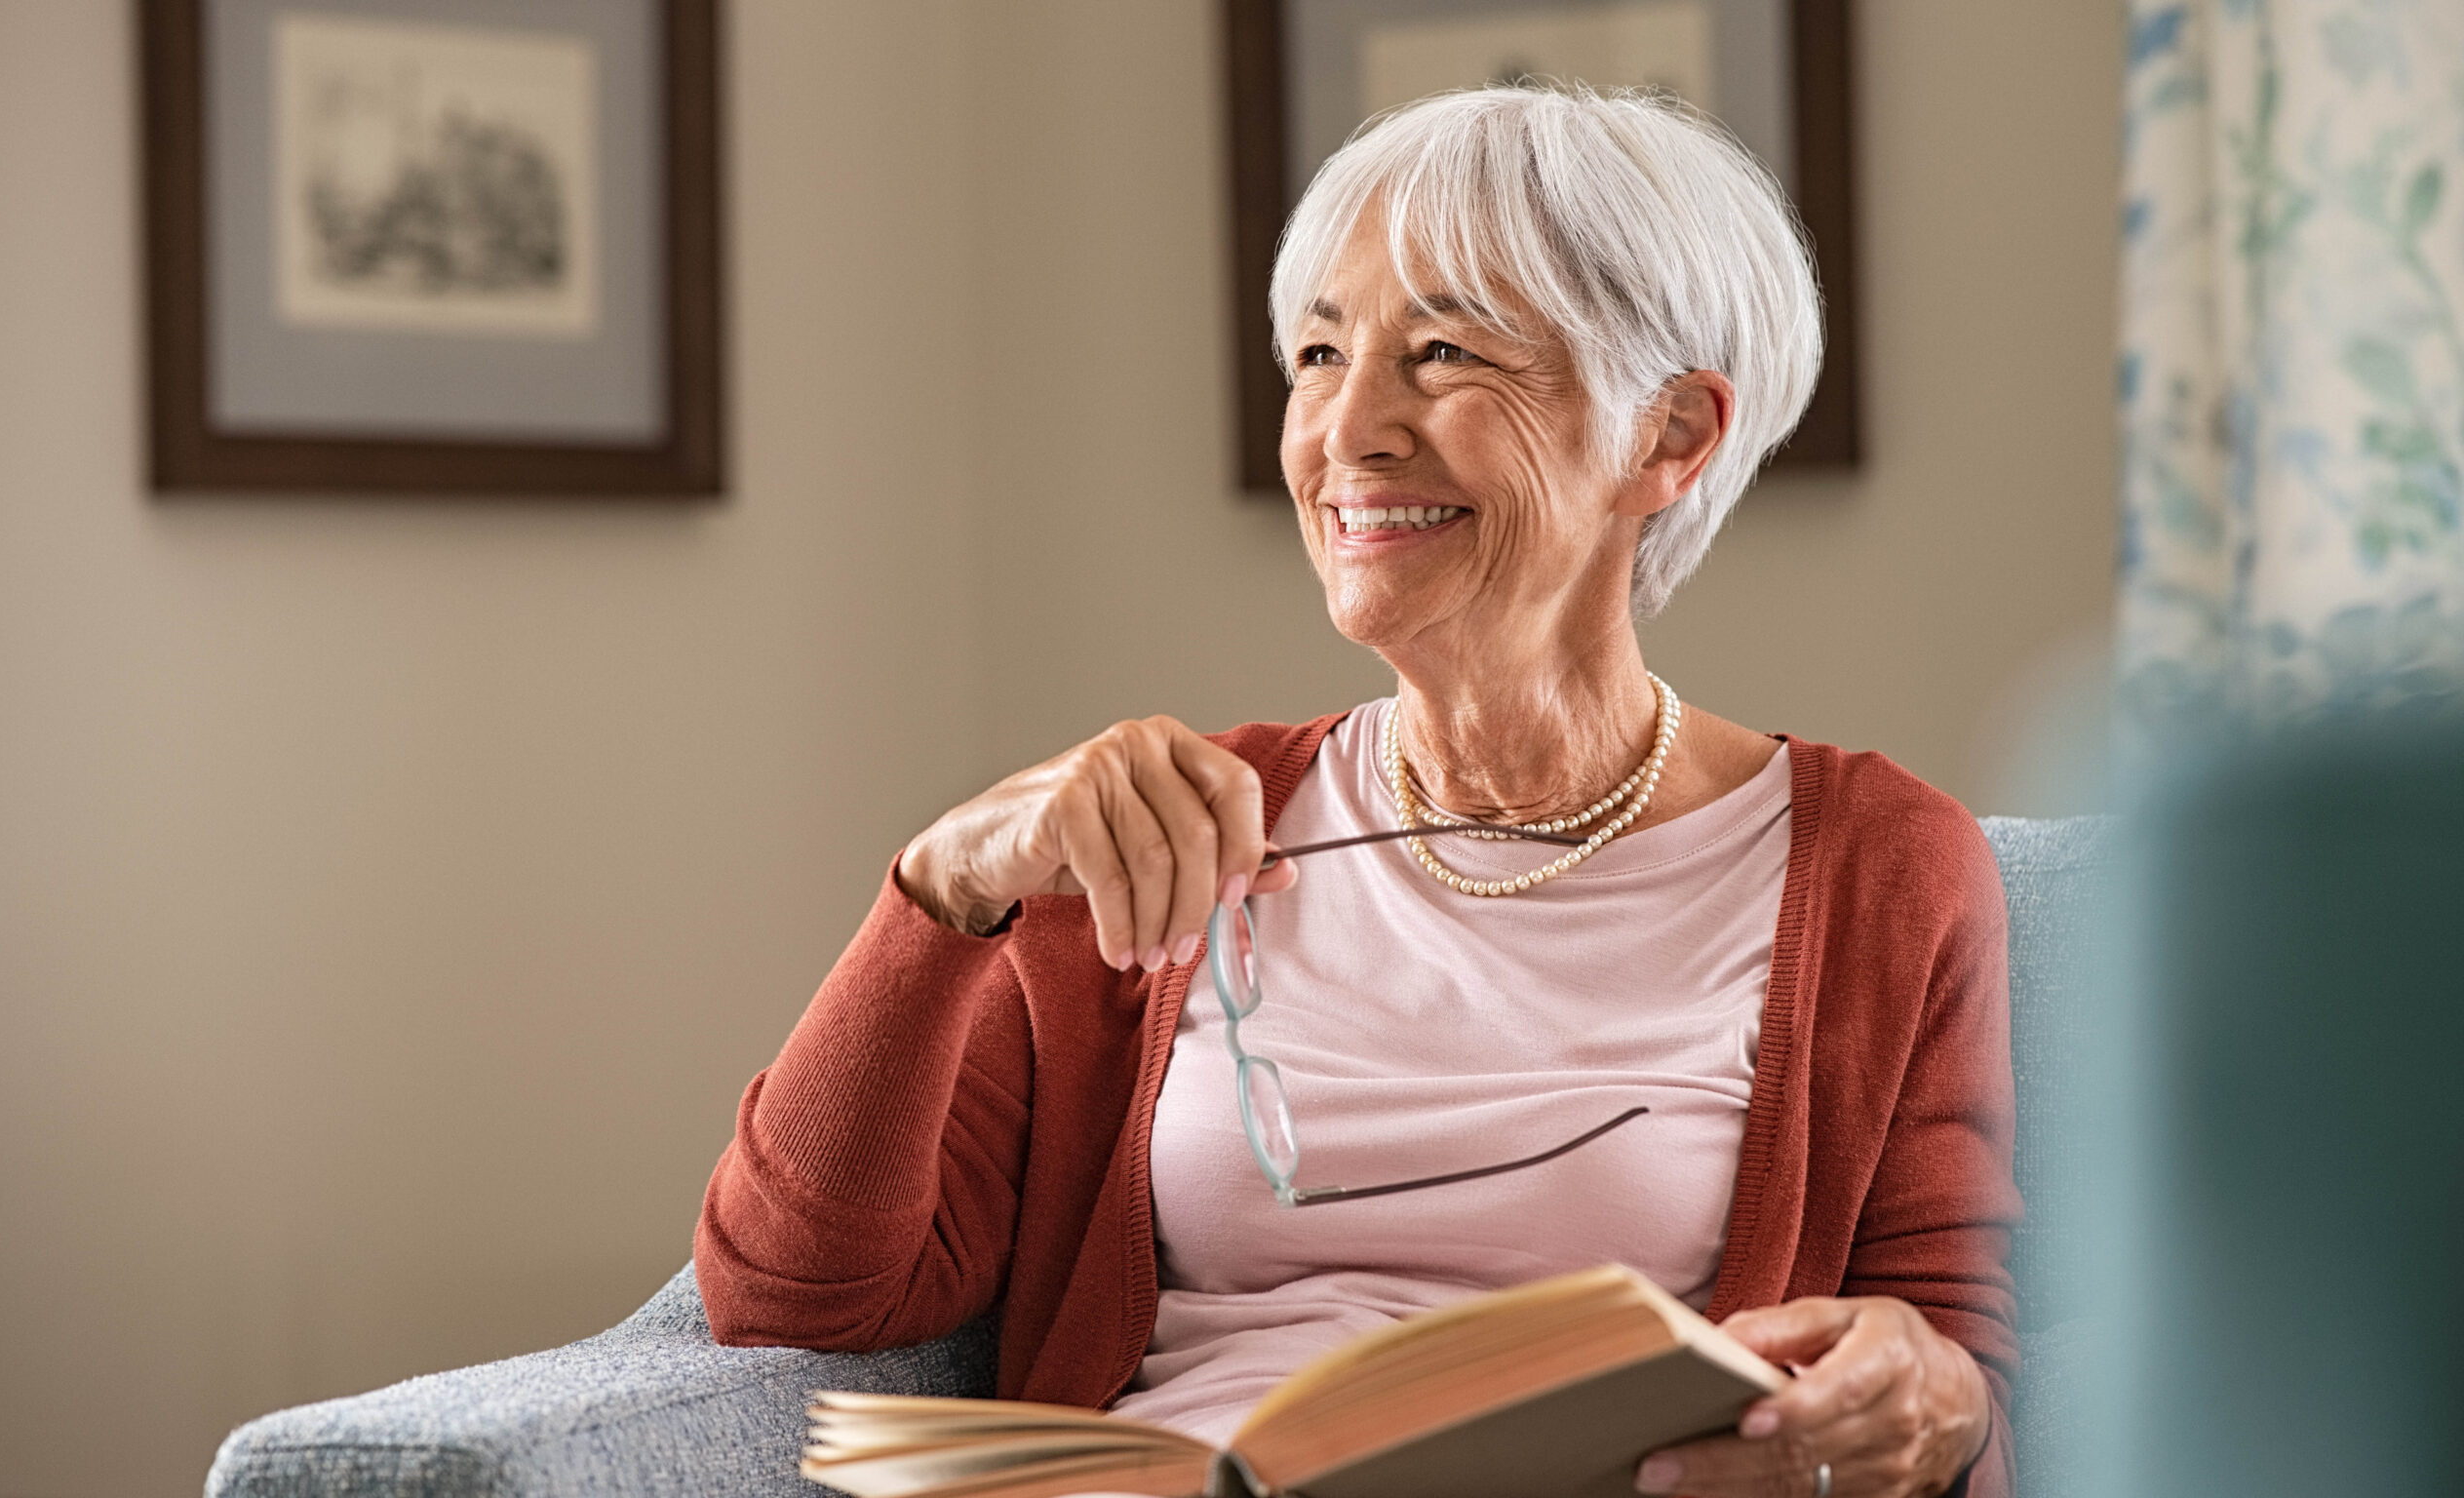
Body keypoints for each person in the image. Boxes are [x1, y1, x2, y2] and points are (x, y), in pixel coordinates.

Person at [698, 86, 2016, 1498]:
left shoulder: (1879, 868)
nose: (1350, 430)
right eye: (1320, 352)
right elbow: (794, 1296)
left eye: (1444, 354)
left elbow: (1953, 1371)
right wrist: (942, 888)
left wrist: (1934, 1404)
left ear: (1671, 436)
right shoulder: (1163, 836)